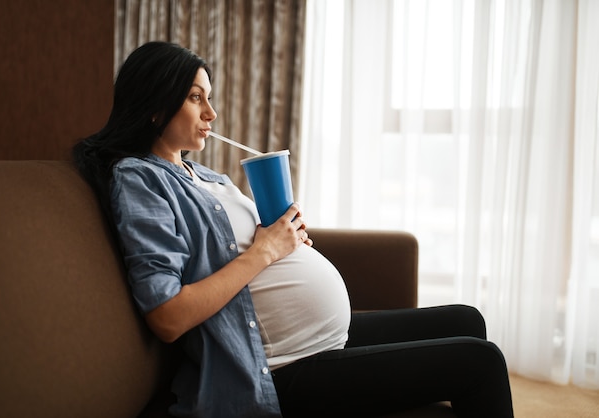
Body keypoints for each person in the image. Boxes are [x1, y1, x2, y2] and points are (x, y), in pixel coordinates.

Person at [73, 41, 514, 418]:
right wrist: (265, 251)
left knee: (467, 320)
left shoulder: (202, 175)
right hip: (279, 370)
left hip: (320, 342)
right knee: (481, 363)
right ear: (154, 106)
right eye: (195, 97)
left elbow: (246, 246)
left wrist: (285, 238)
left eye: (209, 97)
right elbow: (167, 316)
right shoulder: (139, 178)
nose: (212, 112)